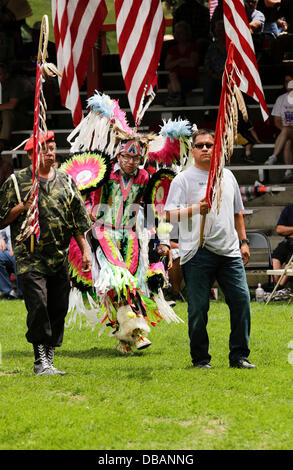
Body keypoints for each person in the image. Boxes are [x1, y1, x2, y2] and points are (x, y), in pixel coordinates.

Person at [0, 131, 92, 376]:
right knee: (38, 305)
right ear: (31, 154)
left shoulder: (66, 181)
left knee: (57, 307)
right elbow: (0, 219)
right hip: (29, 255)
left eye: (53, 148)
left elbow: (78, 220)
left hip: (59, 255)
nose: (51, 153)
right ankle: (40, 361)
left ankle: (49, 359)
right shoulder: (16, 181)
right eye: (45, 149)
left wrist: (85, 251)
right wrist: (21, 207)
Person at [165, 128, 256, 370]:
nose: (206, 148)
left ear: (217, 149)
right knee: (198, 309)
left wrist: (243, 241)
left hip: (229, 252)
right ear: (192, 150)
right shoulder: (182, 179)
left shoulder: (227, 177)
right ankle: (200, 359)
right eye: (201, 145)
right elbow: (169, 215)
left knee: (241, 302)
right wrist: (195, 209)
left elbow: (238, 212)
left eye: (210, 145)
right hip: (197, 252)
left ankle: (239, 356)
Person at [264, 75, 293, 181]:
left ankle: (274, 156)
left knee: (286, 133)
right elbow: (277, 121)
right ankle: (289, 171)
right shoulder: (281, 99)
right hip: (286, 130)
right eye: (286, 82)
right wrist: (285, 130)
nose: (288, 84)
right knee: (287, 142)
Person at [0, 62, 34, 153]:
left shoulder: (14, 84)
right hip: (3, 122)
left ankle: (3, 142)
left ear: (6, 75)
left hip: (19, 118)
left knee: (6, 112)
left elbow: (11, 105)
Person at [164, 21, 200, 106]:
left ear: (187, 33)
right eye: (176, 32)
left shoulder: (193, 47)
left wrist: (175, 63)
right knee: (172, 76)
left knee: (171, 85)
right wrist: (180, 61)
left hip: (189, 77)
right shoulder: (172, 49)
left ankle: (176, 98)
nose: (178, 35)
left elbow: (193, 63)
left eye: (181, 32)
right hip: (176, 77)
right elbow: (167, 66)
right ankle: (178, 99)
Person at [271, 204, 293, 289]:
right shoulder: (289, 209)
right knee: (275, 258)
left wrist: (288, 230)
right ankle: (275, 285)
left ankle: (279, 287)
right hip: (287, 243)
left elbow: (283, 230)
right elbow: (279, 230)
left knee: (290, 262)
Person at [0, 226, 22, 299]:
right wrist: (0, 238)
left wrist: (16, 249)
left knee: (18, 258)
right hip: (9, 252)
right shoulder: (8, 217)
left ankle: (22, 293)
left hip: (22, 251)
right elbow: (2, 232)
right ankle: (8, 292)